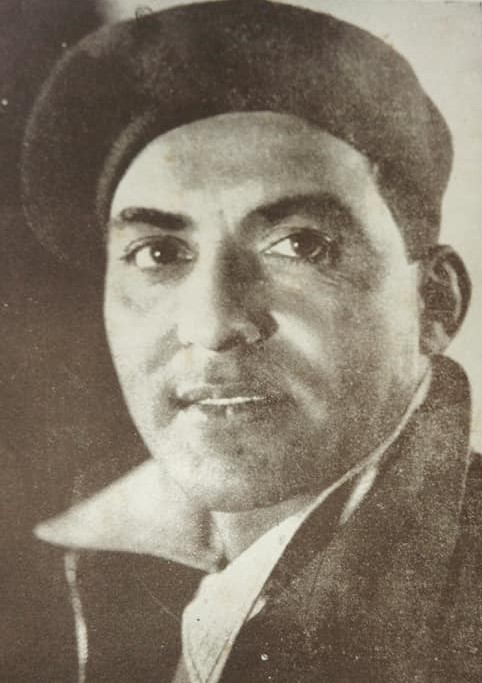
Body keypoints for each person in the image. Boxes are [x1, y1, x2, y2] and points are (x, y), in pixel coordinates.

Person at [20, 1, 481, 681]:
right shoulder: (66, 565)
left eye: (300, 245)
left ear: (434, 302)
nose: (212, 326)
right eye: (158, 253)